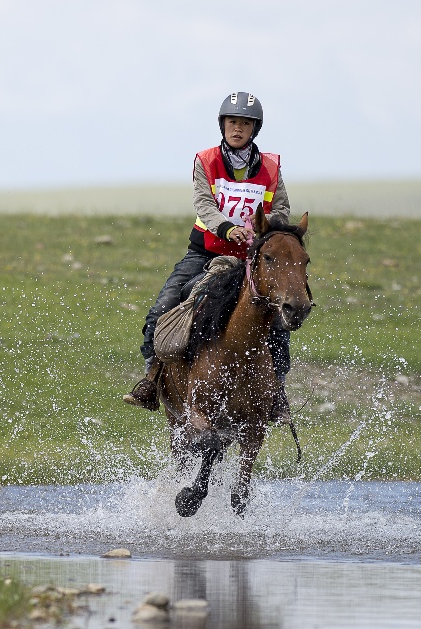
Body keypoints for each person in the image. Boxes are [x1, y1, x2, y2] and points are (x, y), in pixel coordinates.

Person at [123, 91, 293, 421]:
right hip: (204, 253)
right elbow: (203, 204)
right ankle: (151, 379)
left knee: (277, 322)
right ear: (222, 125)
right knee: (163, 307)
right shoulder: (206, 160)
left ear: (254, 129)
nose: (238, 129)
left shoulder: (271, 166)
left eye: (245, 123)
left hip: (252, 259)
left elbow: (283, 207)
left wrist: (267, 229)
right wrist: (228, 228)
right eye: (232, 122)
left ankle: (277, 394)